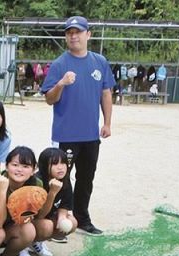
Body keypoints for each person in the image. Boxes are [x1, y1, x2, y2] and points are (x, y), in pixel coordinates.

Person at [41, 15, 114, 236]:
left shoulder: (99, 62)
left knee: (86, 178)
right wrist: (61, 83)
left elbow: (106, 93)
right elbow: (49, 99)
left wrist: (107, 123)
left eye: (78, 32)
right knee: (60, 178)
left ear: (88, 35)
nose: (73, 36)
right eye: (69, 32)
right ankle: (55, 219)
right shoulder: (59, 64)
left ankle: (82, 217)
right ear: (66, 37)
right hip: (66, 134)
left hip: (91, 134)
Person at [0, 147, 42, 256]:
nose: (19, 170)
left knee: (29, 229)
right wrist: (2, 190)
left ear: (34, 169)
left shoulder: (36, 184)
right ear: (6, 166)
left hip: (12, 224)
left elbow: (36, 215)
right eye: (15, 165)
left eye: (25, 166)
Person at [31, 147, 77, 256]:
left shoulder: (64, 179)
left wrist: (62, 217)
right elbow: (40, 215)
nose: (60, 167)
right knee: (47, 226)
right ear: (44, 166)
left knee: (72, 222)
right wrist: (52, 193)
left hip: (46, 218)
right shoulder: (37, 182)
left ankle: (36, 242)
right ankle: (23, 246)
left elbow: (65, 204)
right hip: (29, 221)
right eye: (55, 164)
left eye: (63, 163)